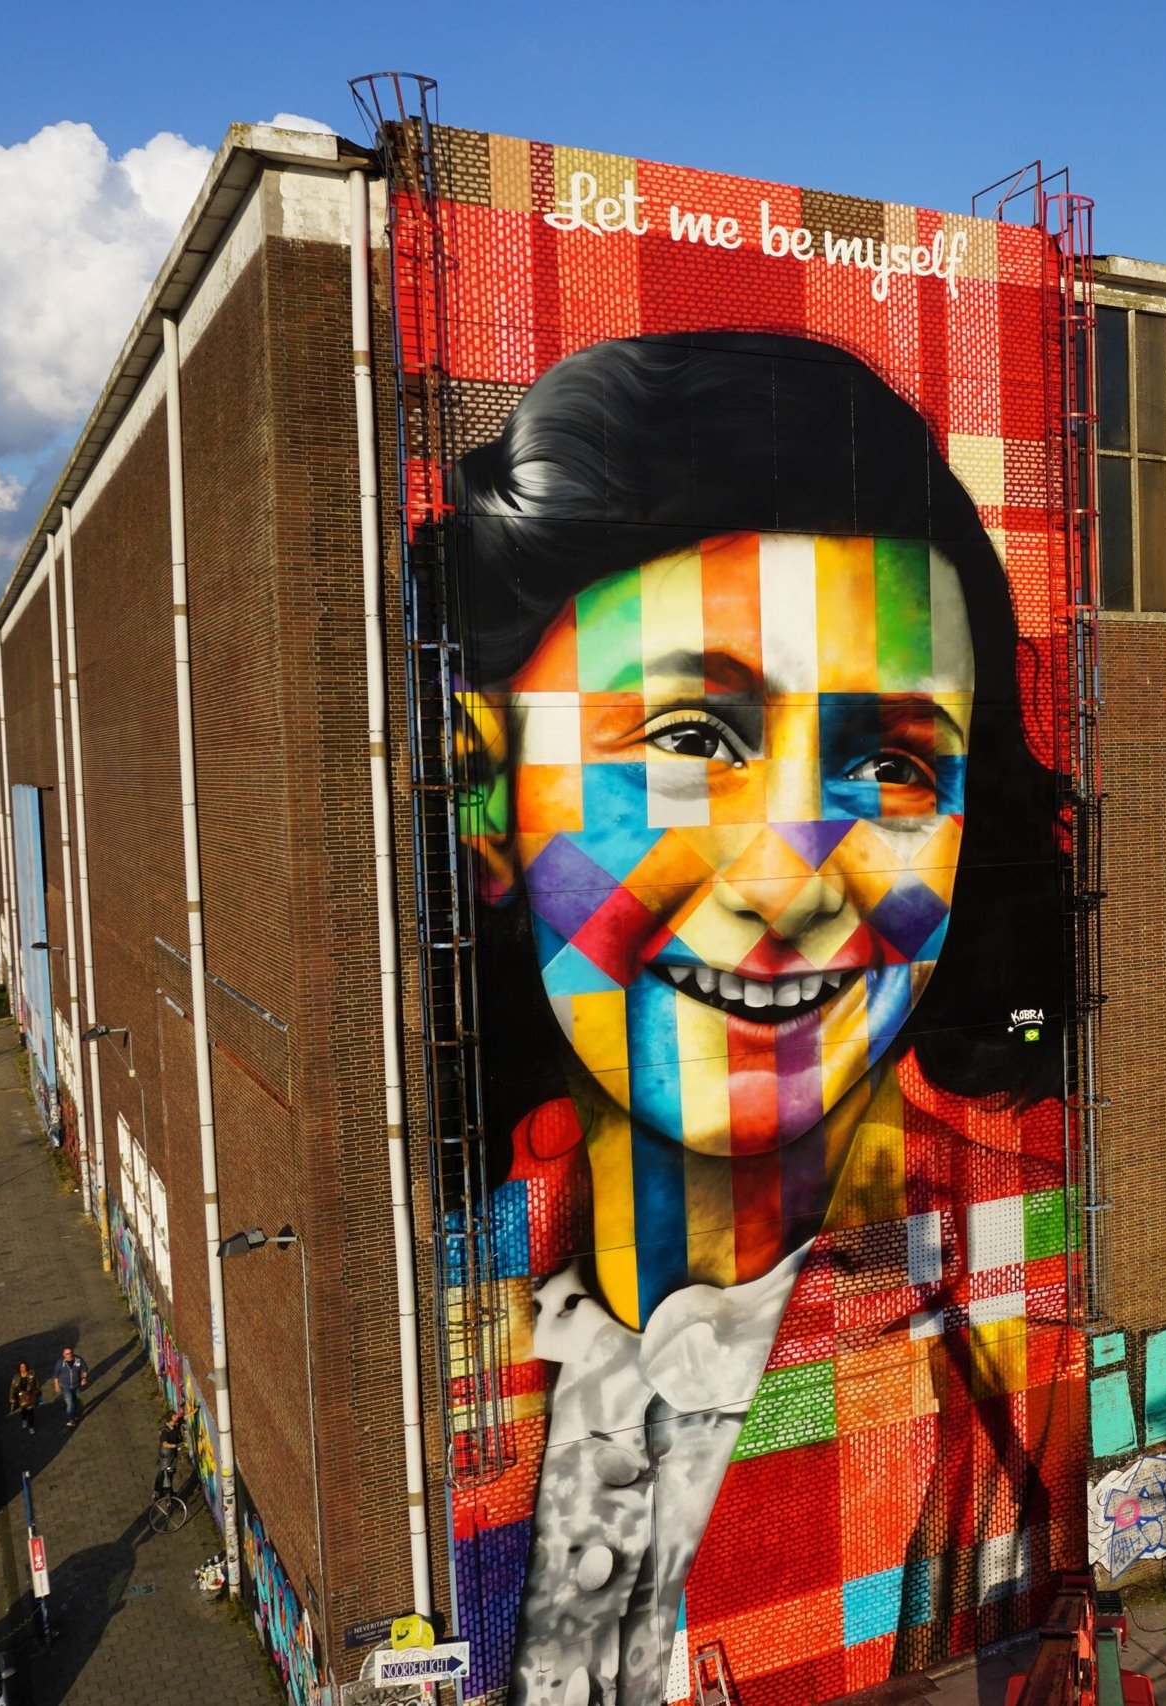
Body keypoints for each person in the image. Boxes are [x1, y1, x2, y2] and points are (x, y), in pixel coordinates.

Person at [448, 332, 1074, 1706]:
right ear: (492, 803)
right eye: (688, 739)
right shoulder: (446, 1281)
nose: (790, 876)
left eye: (894, 763)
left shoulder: (1032, 1320)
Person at [154, 1407, 187, 1498]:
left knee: (171, 1473)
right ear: (170, 1418)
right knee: (166, 1475)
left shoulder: (175, 1424)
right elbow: (164, 1444)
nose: (177, 1416)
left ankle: (170, 1493)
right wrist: (176, 1446)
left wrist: (196, 1408)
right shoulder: (165, 1430)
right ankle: (163, 1495)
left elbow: (185, 1417)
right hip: (166, 1456)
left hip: (172, 1454)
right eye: (175, 1415)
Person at [52, 1345, 89, 1425]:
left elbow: (85, 1369)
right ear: (63, 1355)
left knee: (76, 1400)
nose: (69, 1355)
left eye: (70, 1353)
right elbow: (56, 1376)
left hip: (77, 1385)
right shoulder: (60, 1363)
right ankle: (71, 1419)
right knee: (69, 1404)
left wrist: (84, 1378)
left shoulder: (78, 1359)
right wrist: (56, 1385)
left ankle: (75, 1414)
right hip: (66, 1387)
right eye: (67, 1354)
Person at [7, 1360, 38, 1433]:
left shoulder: (31, 1374)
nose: (23, 1368)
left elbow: (36, 1383)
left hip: (30, 1394)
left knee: (30, 1411)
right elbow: (12, 1387)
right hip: (21, 1396)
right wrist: (11, 1397)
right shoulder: (16, 1376)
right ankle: (24, 1419)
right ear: (19, 1368)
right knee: (24, 1409)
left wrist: (38, 1392)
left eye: (24, 1366)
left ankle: (31, 1427)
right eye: (22, 1367)